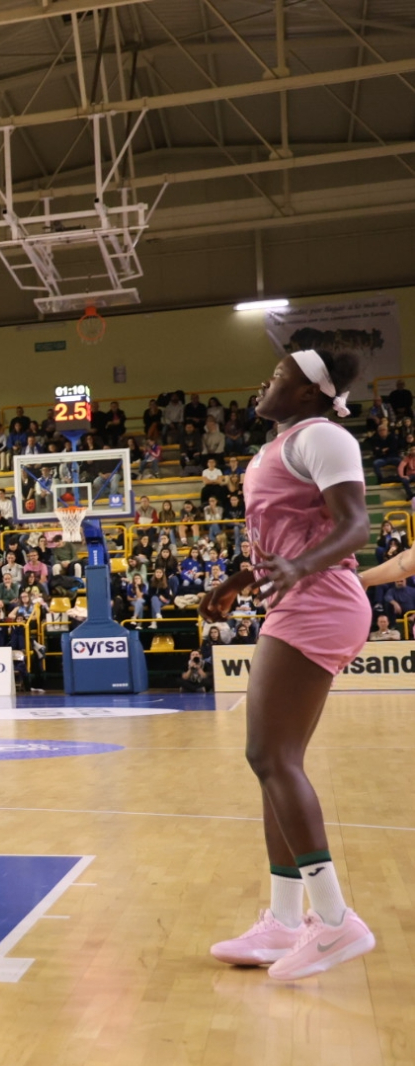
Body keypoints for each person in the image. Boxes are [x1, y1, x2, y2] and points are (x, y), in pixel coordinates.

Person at [202, 348, 376, 981]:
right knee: (273, 762)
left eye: (278, 376)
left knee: (271, 758)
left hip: (321, 600)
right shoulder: (284, 445)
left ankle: (333, 922)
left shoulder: (324, 435)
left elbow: (355, 526)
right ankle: (282, 921)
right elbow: (294, 534)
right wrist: (243, 577)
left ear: (308, 392)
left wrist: (300, 568)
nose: (264, 383)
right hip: (300, 597)